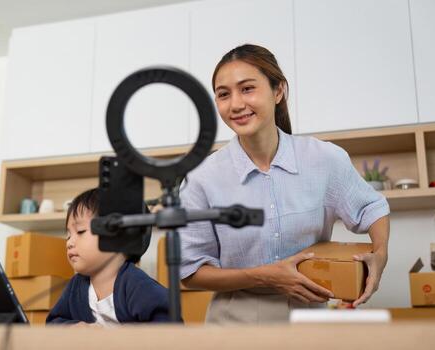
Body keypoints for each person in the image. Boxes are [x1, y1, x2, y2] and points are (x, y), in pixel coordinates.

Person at [179, 44, 390, 323]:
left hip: (311, 320)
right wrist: (262, 276)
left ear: (278, 91)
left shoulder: (324, 158)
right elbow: (190, 272)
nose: (236, 104)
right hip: (233, 325)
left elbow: (372, 208)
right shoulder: (202, 178)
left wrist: (381, 254)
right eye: (223, 94)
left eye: (247, 89)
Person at [46, 188, 171, 325]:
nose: (69, 242)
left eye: (80, 231)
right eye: (68, 235)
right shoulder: (76, 286)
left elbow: (169, 324)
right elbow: (53, 323)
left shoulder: (137, 285)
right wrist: (73, 328)